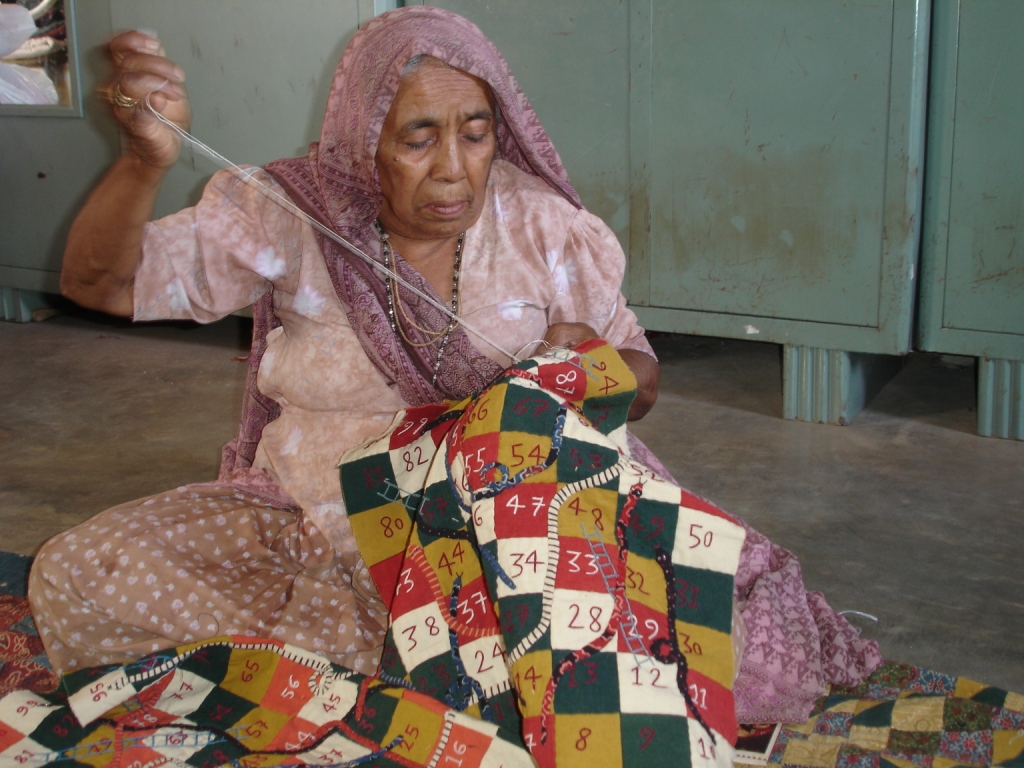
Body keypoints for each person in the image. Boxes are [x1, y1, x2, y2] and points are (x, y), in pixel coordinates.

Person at [29, 6, 880, 727]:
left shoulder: (545, 230)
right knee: (77, 574)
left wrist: (585, 371)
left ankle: (364, 674)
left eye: (475, 135)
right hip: (313, 516)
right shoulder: (292, 214)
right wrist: (146, 161)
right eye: (417, 139)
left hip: (504, 530)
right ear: (365, 141)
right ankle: (385, 670)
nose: (452, 169)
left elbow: (640, 376)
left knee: (641, 652)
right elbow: (96, 281)